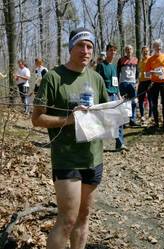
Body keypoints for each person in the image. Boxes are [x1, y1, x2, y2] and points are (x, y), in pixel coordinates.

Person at [31, 27, 108, 249]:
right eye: (80, 45)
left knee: (83, 218)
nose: (85, 51)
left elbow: (103, 111)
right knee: (67, 221)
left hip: (93, 157)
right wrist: (70, 119)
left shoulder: (96, 78)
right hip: (67, 159)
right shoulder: (54, 78)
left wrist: (117, 109)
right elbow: (37, 119)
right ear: (71, 48)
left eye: (90, 46)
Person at [96, 43, 128, 151]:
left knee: (118, 120)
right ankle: (96, 144)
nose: (113, 52)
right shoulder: (101, 65)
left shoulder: (113, 67)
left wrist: (119, 96)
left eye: (114, 50)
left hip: (115, 95)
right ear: (107, 51)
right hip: (105, 96)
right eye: (111, 50)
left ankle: (120, 144)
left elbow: (116, 83)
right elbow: (97, 82)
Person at [145, 39, 164, 129]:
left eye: (159, 46)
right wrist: (154, 72)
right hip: (154, 84)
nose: (158, 48)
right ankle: (156, 122)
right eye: (156, 46)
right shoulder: (150, 59)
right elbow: (146, 74)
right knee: (154, 103)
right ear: (153, 47)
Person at [117, 45, 139, 126]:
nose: (129, 50)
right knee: (125, 102)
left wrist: (137, 82)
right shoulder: (121, 60)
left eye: (130, 49)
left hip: (132, 83)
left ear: (132, 50)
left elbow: (138, 72)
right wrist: (118, 84)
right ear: (125, 51)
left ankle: (132, 120)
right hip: (123, 83)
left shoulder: (136, 60)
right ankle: (125, 120)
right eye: (127, 49)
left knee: (133, 102)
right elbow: (117, 72)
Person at [137, 46, 153, 125]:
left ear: (149, 51)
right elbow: (140, 72)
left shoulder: (151, 59)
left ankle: (150, 116)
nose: (145, 52)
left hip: (150, 81)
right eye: (144, 51)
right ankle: (142, 116)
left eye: (146, 51)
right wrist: (138, 81)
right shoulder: (140, 61)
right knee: (140, 100)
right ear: (142, 52)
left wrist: (152, 81)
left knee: (150, 100)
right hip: (142, 82)